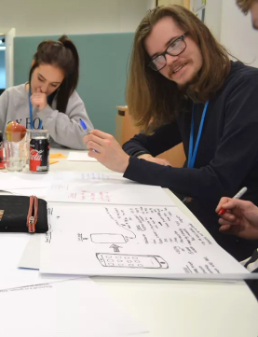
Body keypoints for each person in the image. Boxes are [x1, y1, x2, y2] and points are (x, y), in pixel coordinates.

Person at [83, 5, 258, 261]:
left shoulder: (247, 88)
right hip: (190, 231)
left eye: (175, 44)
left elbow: (218, 182)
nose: (170, 60)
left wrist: (128, 165)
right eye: (158, 58)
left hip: (227, 249)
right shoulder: (192, 97)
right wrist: (143, 159)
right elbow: (136, 142)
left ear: (197, 34)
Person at [0, 35, 93, 149]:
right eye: (40, 78)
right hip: (15, 170)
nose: (44, 89)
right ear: (33, 65)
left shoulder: (68, 97)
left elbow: (86, 134)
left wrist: (47, 111)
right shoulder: (10, 96)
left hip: (54, 173)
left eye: (54, 84)